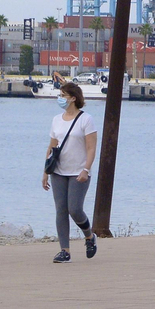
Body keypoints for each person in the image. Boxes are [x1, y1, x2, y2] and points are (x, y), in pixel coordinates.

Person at [41, 81, 99, 264]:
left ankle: (89, 236)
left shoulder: (86, 119)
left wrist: (86, 169)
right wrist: (45, 172)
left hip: (78, 171)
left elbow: (91, 148)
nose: (60, 98)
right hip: (58, 171)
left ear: (73, 98)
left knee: (74, 209)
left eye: (63, 95)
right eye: (60, 95)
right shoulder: (56, 120)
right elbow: (52, 146)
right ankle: (64, 251)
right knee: (61, 210)